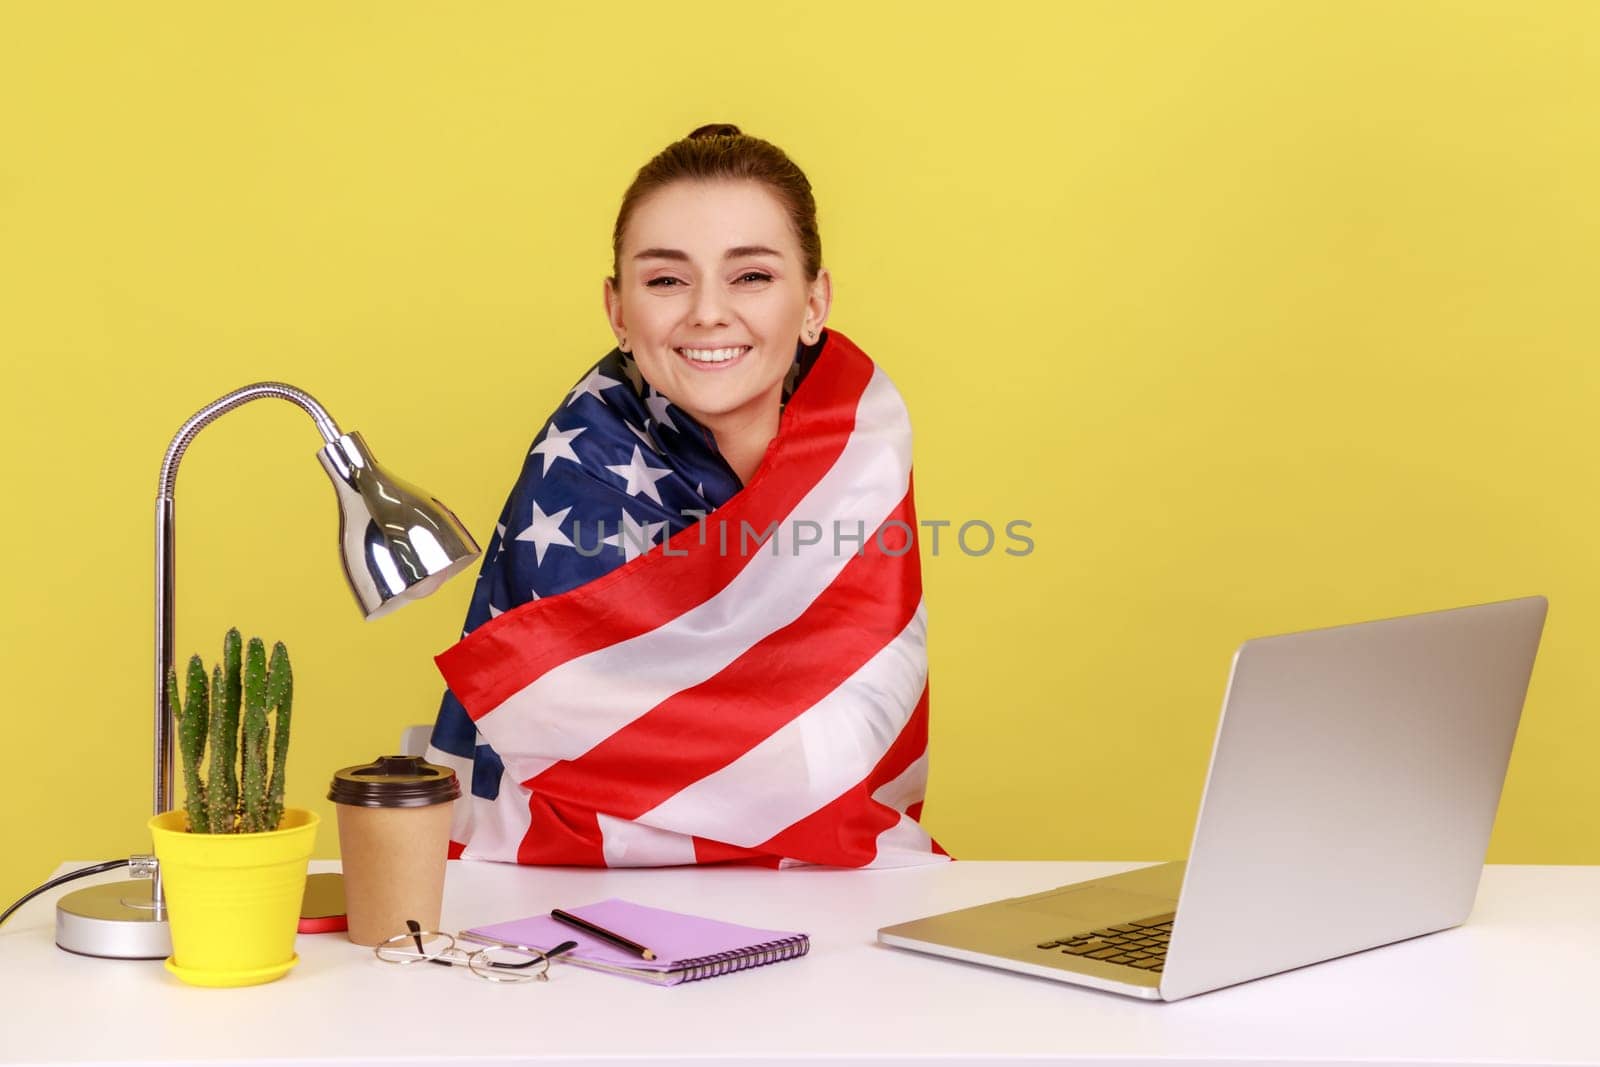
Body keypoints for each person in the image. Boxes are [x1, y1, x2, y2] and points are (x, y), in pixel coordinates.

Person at [428, 124, 944, 869]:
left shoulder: (859, 442)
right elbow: (583, 774)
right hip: (576, 896)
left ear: (813, 304)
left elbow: (860, 737)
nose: (707, 311)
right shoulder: (579, 482)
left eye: (752, 276)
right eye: (667, 279)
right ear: (617, 311)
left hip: (831, 886)